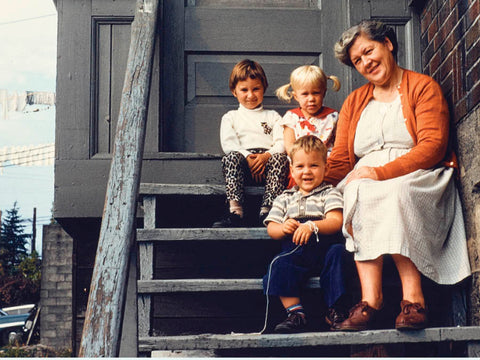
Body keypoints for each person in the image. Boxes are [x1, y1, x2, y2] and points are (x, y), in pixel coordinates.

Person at [324, 20, 471, 331]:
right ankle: (370, 300)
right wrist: (305, 179)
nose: (365, 62)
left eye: (368, 51)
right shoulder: (355, 101)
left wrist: (381, 172)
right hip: (366, 177)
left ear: (388, 44)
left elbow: (432, 146)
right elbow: (339, 160)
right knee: (356, 189)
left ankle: (414, 300)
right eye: (357, 60)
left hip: (418, 173)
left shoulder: (422, 87)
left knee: (393, 192)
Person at [263, 135, 352, 333]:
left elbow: (336, 221)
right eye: (300, 166)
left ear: (326, 169)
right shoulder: (285, 198)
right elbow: (271, 228)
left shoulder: (330, 193)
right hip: (296, 250)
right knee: (279, 264)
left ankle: (336, 309)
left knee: (339, 253)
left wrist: (312, 226)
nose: (307, 172)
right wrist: (283, 228)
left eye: (314, 166)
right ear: (292, 170)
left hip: (324, 247)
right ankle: (296, 314)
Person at [213, 59, 289, 227]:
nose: (250, 95)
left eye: (256, 89)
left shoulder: (273, 116)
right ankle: (235, 211)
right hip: (243, 165)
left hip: (268, 165)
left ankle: (268, 211)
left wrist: (266, 156)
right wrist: (248, 157)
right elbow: (229, 144)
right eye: (244, 90)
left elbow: (281, 142)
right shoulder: (231, 117)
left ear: (263, 89)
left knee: (281, 158)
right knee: (230, 157)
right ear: (234, 91)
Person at [275, 65, 341, 157]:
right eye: (305, 94)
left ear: (324, 93)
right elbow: (290, 147)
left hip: (326, 162)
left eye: (316, 93)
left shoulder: (333, 116)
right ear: (296, 96)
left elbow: (340, 145)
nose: (311, 99)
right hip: (299, 162)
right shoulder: (291, 117)